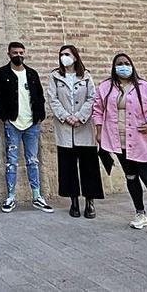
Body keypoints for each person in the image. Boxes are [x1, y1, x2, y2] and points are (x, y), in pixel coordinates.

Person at [93, 53, 147, 236]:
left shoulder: (145, 87)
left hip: (140, 141)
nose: (123, 66)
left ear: (132, 66)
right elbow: (98, 110)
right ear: (114, 67)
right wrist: (99, 132)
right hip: (118, 141)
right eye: (119, 64)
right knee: (130, 177)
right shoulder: (106, 87)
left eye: (126, 63)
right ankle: (140, 214)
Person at [0, 42, 53, 213]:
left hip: (31, 123)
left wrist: (40, 116)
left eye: (21, 52)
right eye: (14, 52)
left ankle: (37, 196)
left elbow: (39, 96)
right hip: (12, 122)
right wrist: (4, 117)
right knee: (11, 161)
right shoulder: (2, 73)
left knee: (32, 160)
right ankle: (11, 196)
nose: (18, 55)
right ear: (8, 54)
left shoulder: (32, 73)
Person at [46, 44, 102, 220]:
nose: (64, 57)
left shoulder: (86, 76)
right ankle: (74, 201)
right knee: (68, 167)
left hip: (84, 128)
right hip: (65, 128)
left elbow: (92, 98)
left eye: (68, 54)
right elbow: (52, 99)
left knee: (89, 167)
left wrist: (80, 117)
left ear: (75, 57)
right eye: (62, 54)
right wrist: (65, 117)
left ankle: (90, 202)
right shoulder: (55, 76)